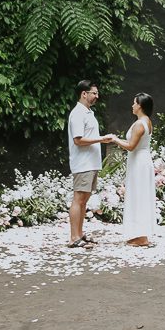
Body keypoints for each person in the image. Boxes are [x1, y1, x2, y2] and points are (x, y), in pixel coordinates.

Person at [108, 93, 156, 247]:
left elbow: (130, 146)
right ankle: (140, 234)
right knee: (140, 195)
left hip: (139, 161)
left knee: (139, 195)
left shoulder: (139, 124)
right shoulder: (146, 121)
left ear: (140, 106)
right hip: (141, 159)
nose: (132, 106)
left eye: (134, 103)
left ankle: (141, 237)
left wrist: (115, 140)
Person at [66, 80, 109, 248]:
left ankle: (80, 233)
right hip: (82, 164)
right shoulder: (77, 113)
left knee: (84, 199)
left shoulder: (88, 112)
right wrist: (102, 139)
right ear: (84, 94)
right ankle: (73, 238)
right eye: (94, 93)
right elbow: (78, 140)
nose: (97, 96)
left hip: (91, 164)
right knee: (79, 199)